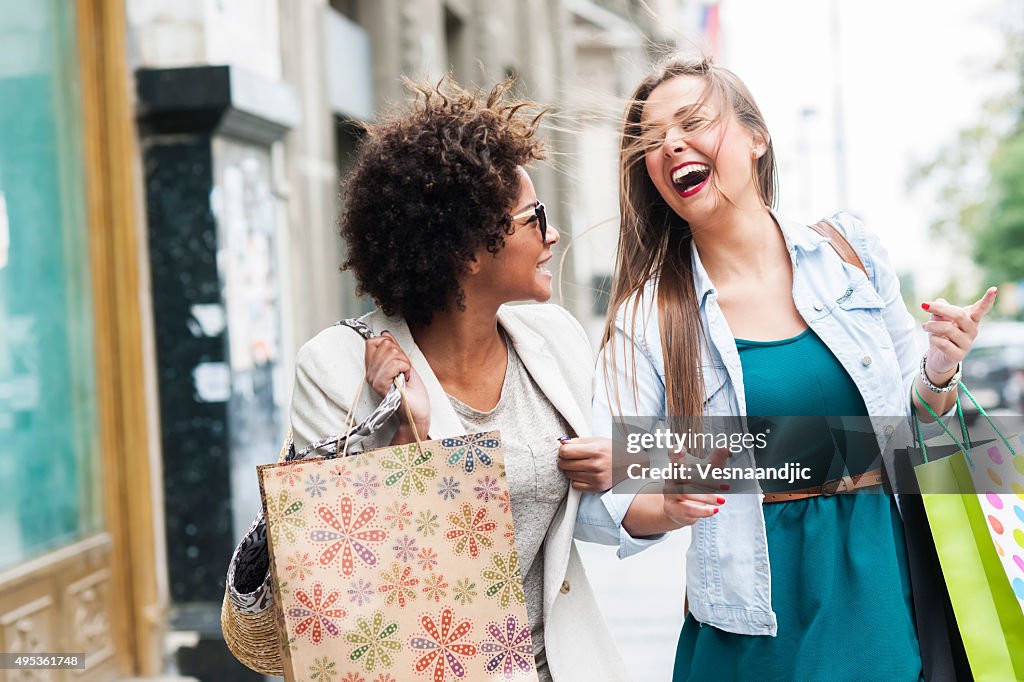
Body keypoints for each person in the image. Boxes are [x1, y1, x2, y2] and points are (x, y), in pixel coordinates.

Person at [592, 54, 998, 681]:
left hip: (875, 598)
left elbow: (907, 432)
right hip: (750, 623)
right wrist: (669, 504)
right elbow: (613, 494)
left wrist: (940, 369)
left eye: (693, 122)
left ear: (757, 138)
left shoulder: (849, 255)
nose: (671, 145)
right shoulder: (646, 316)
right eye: (653, 139)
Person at [289, 78, 658, 682]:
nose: (554, 234)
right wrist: (411, 443)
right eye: (535, 218)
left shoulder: (554, 340)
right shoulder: (337, 369)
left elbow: (609, 490)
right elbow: (337, 571)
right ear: (467, 250)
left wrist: (650, 476)